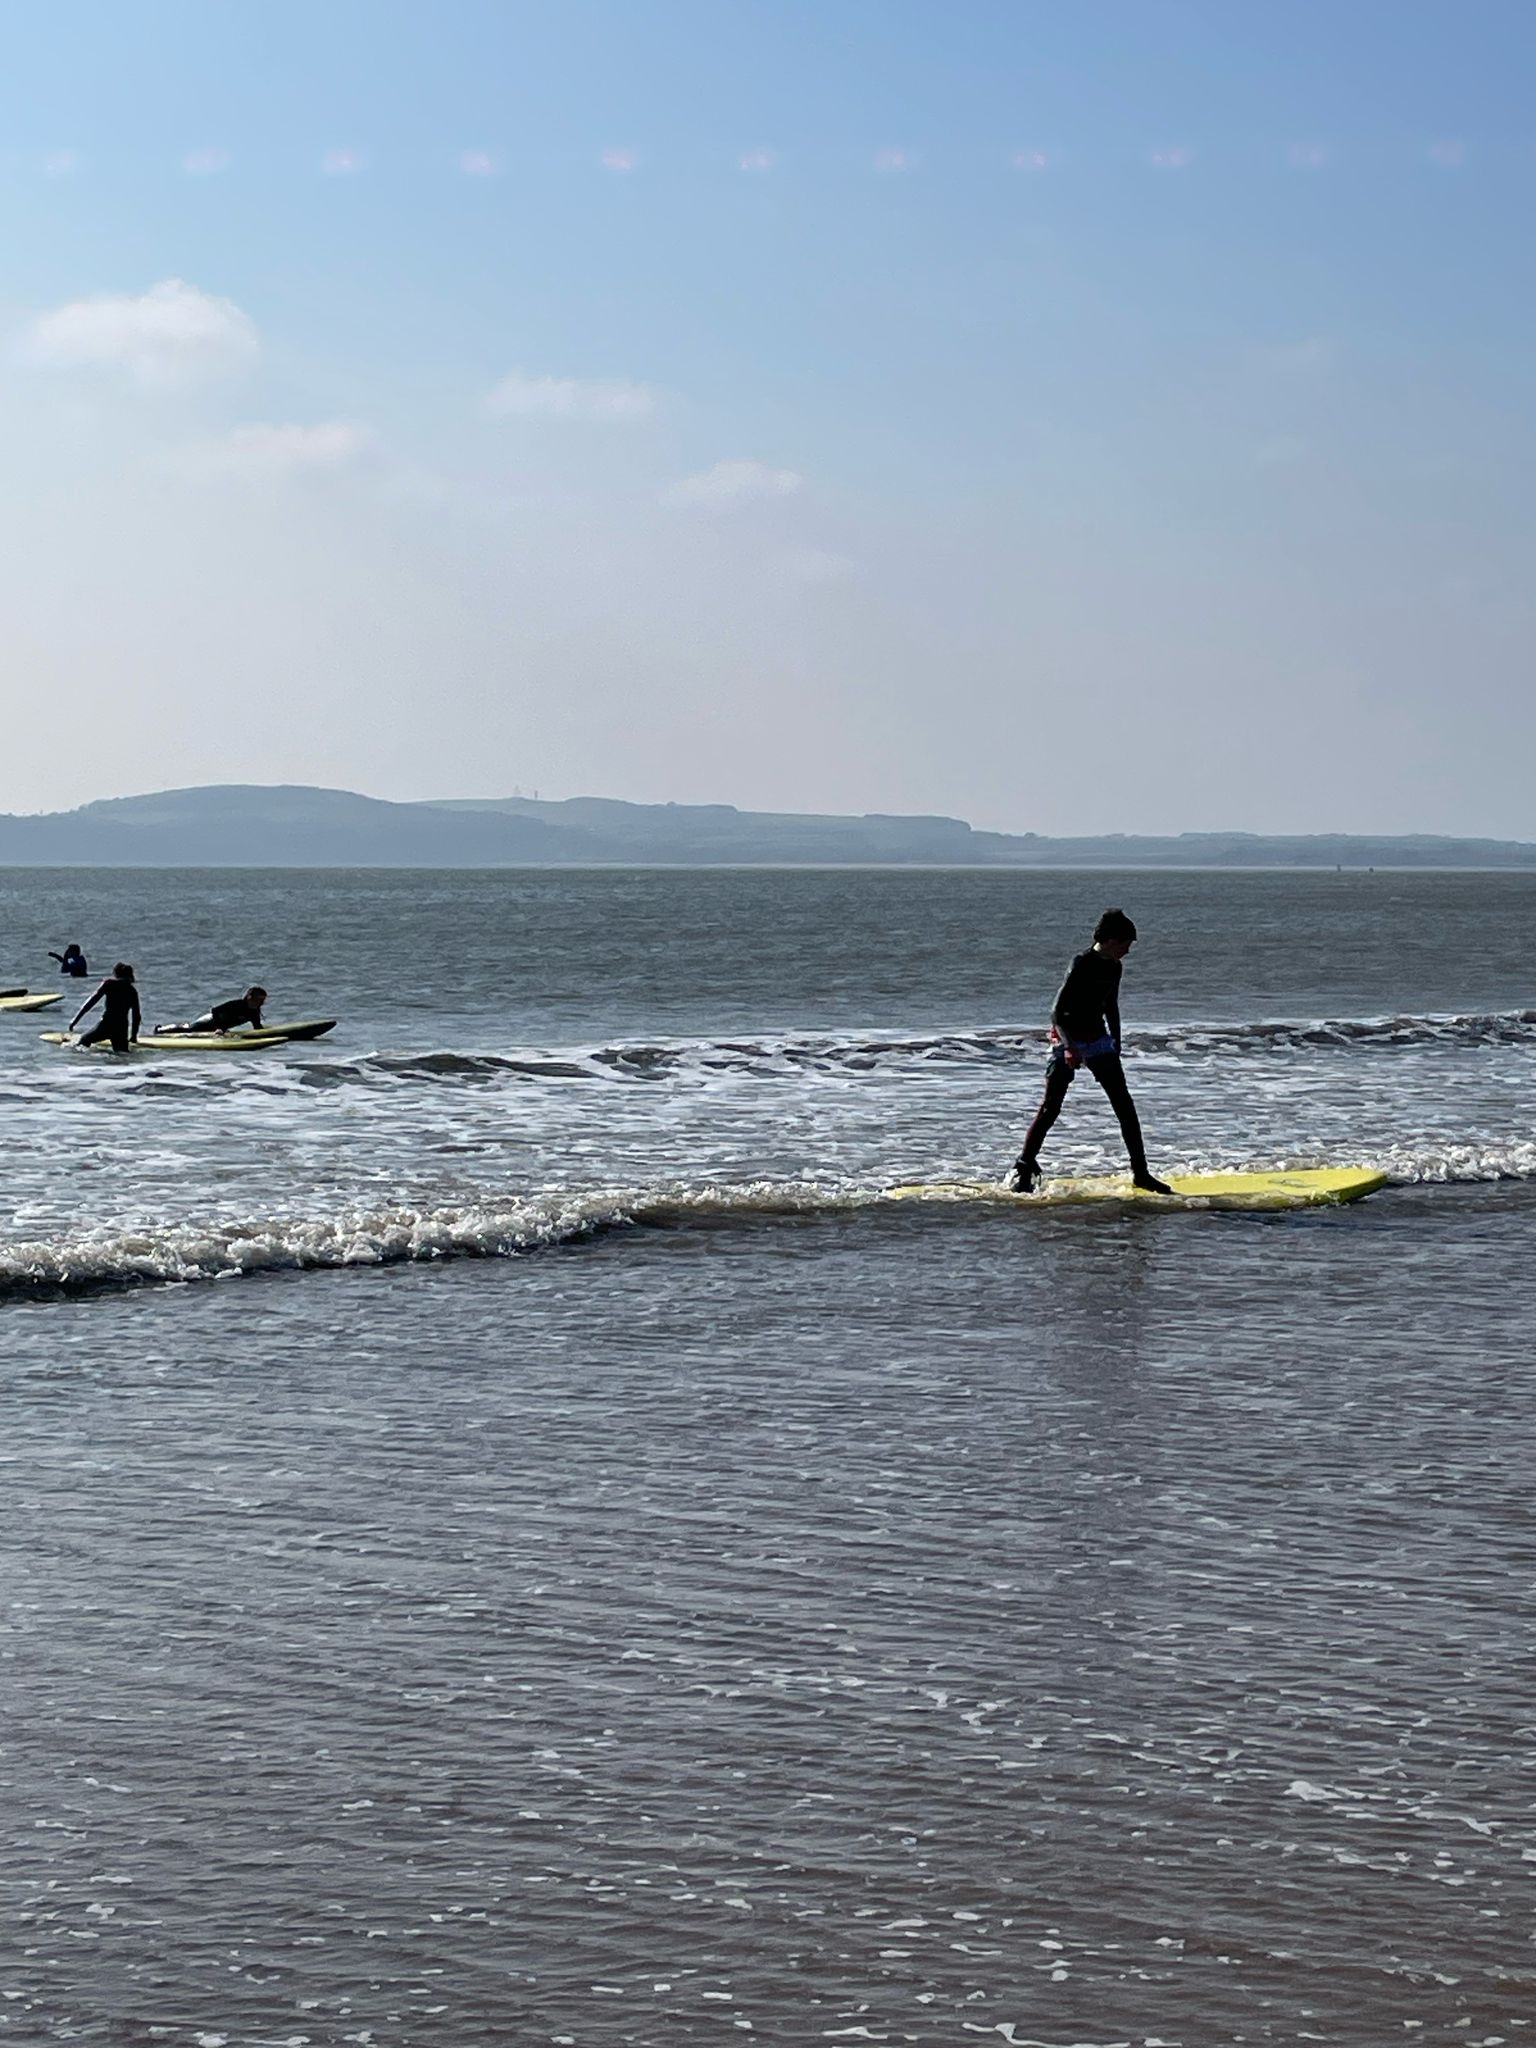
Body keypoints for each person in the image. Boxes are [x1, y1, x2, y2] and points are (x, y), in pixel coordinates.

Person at [1010, 909, 1172, 1195]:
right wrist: (1070, 1048)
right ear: (1110, 940)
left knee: (1124, 1106)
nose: (1127, 951)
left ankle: (1141, 1173)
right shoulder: (1081, 963)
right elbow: (1057, 1013)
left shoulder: (1114, 967)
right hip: (1066, 1038)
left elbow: (1111, 1006)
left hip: (1098, 1040)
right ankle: (1024, 1167)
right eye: (1125, 945)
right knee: (1050, 1108)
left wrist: (1116, 1042)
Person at [70, 962, 141, 1052]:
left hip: (106, 1025)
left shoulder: (109, 984)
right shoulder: (132, 991)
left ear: (116, 974)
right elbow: (136, 1016)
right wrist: (133, 1036)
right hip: (121, 1028)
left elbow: (91, 1002)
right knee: (122, 1054)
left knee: (83, 1041)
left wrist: (75, 1021)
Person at [155, 986, 268, 1036]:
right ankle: (160, 1029)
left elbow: (257, 1028)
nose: (262, 1003)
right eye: (259, 1000)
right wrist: (219, 1028)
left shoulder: (254, 1012)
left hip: (219, 1028)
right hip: (210, 1020)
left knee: (192, 1031)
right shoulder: (237, 1004)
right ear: (249, 998)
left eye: (263, 1000)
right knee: (189, 1029)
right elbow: (215, 1010)